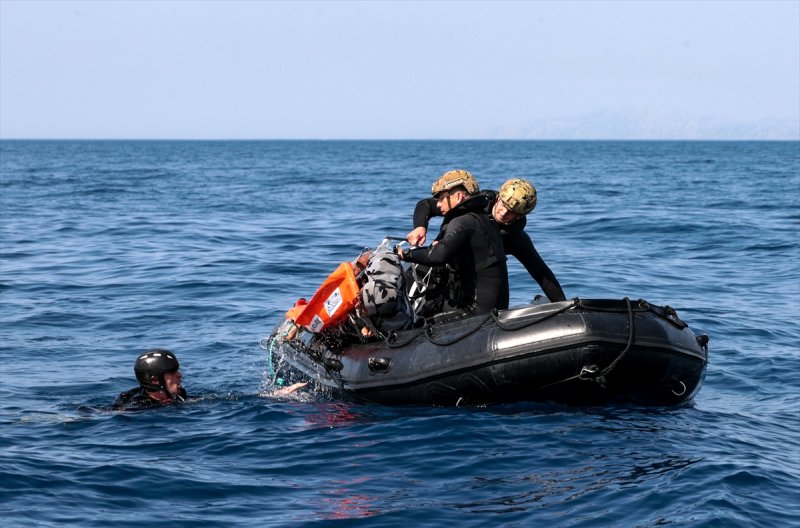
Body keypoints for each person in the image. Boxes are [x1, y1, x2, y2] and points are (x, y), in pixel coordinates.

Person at [407, 177, 567, 303]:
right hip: (430, 266)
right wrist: (420, 227)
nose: (503, 213)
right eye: (503, 205)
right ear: (498, 197)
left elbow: (542, 274)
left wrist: (564, 305)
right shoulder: (473, 204)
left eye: (511, 212)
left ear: (520, 216)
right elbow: (426, 204)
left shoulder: (516, 239)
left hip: (465, 289)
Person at [396, 169, 509, 317]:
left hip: (474, 312)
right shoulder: (485, 219)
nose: (438, 204)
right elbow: (425, 205)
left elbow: (437, 256)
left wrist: (404, 254)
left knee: (424, 312)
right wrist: (421, 227)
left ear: (458, 196)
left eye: (442, 198)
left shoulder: (462, 222)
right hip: (496, 307)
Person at [113, 349, 187, 409]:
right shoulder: (140, 405)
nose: (179, 374)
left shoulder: (180, 394)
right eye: (172, 372)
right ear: (155, 380)